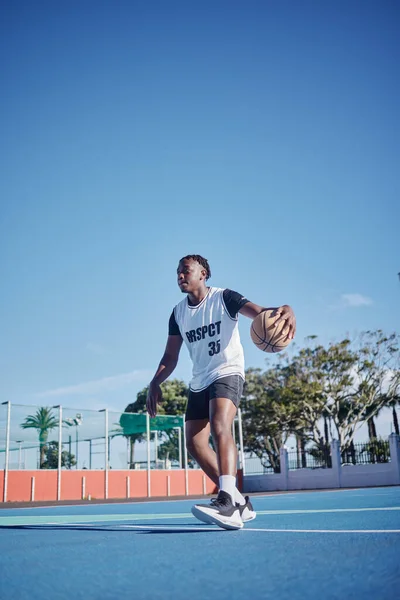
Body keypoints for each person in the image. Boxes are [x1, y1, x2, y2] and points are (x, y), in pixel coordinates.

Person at [146, 254, 296, 530]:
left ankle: (226, 498)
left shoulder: (224, 298)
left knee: (220, 425)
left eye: (185, 271)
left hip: (227, 371)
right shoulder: (177, 313)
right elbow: (170, 356)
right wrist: (155, 382)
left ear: (203, 273)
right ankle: (238, 500)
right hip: (199, 379)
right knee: (194, 443)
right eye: (178, 272)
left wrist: (285, 308)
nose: (180, 276)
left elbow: (261, 313)